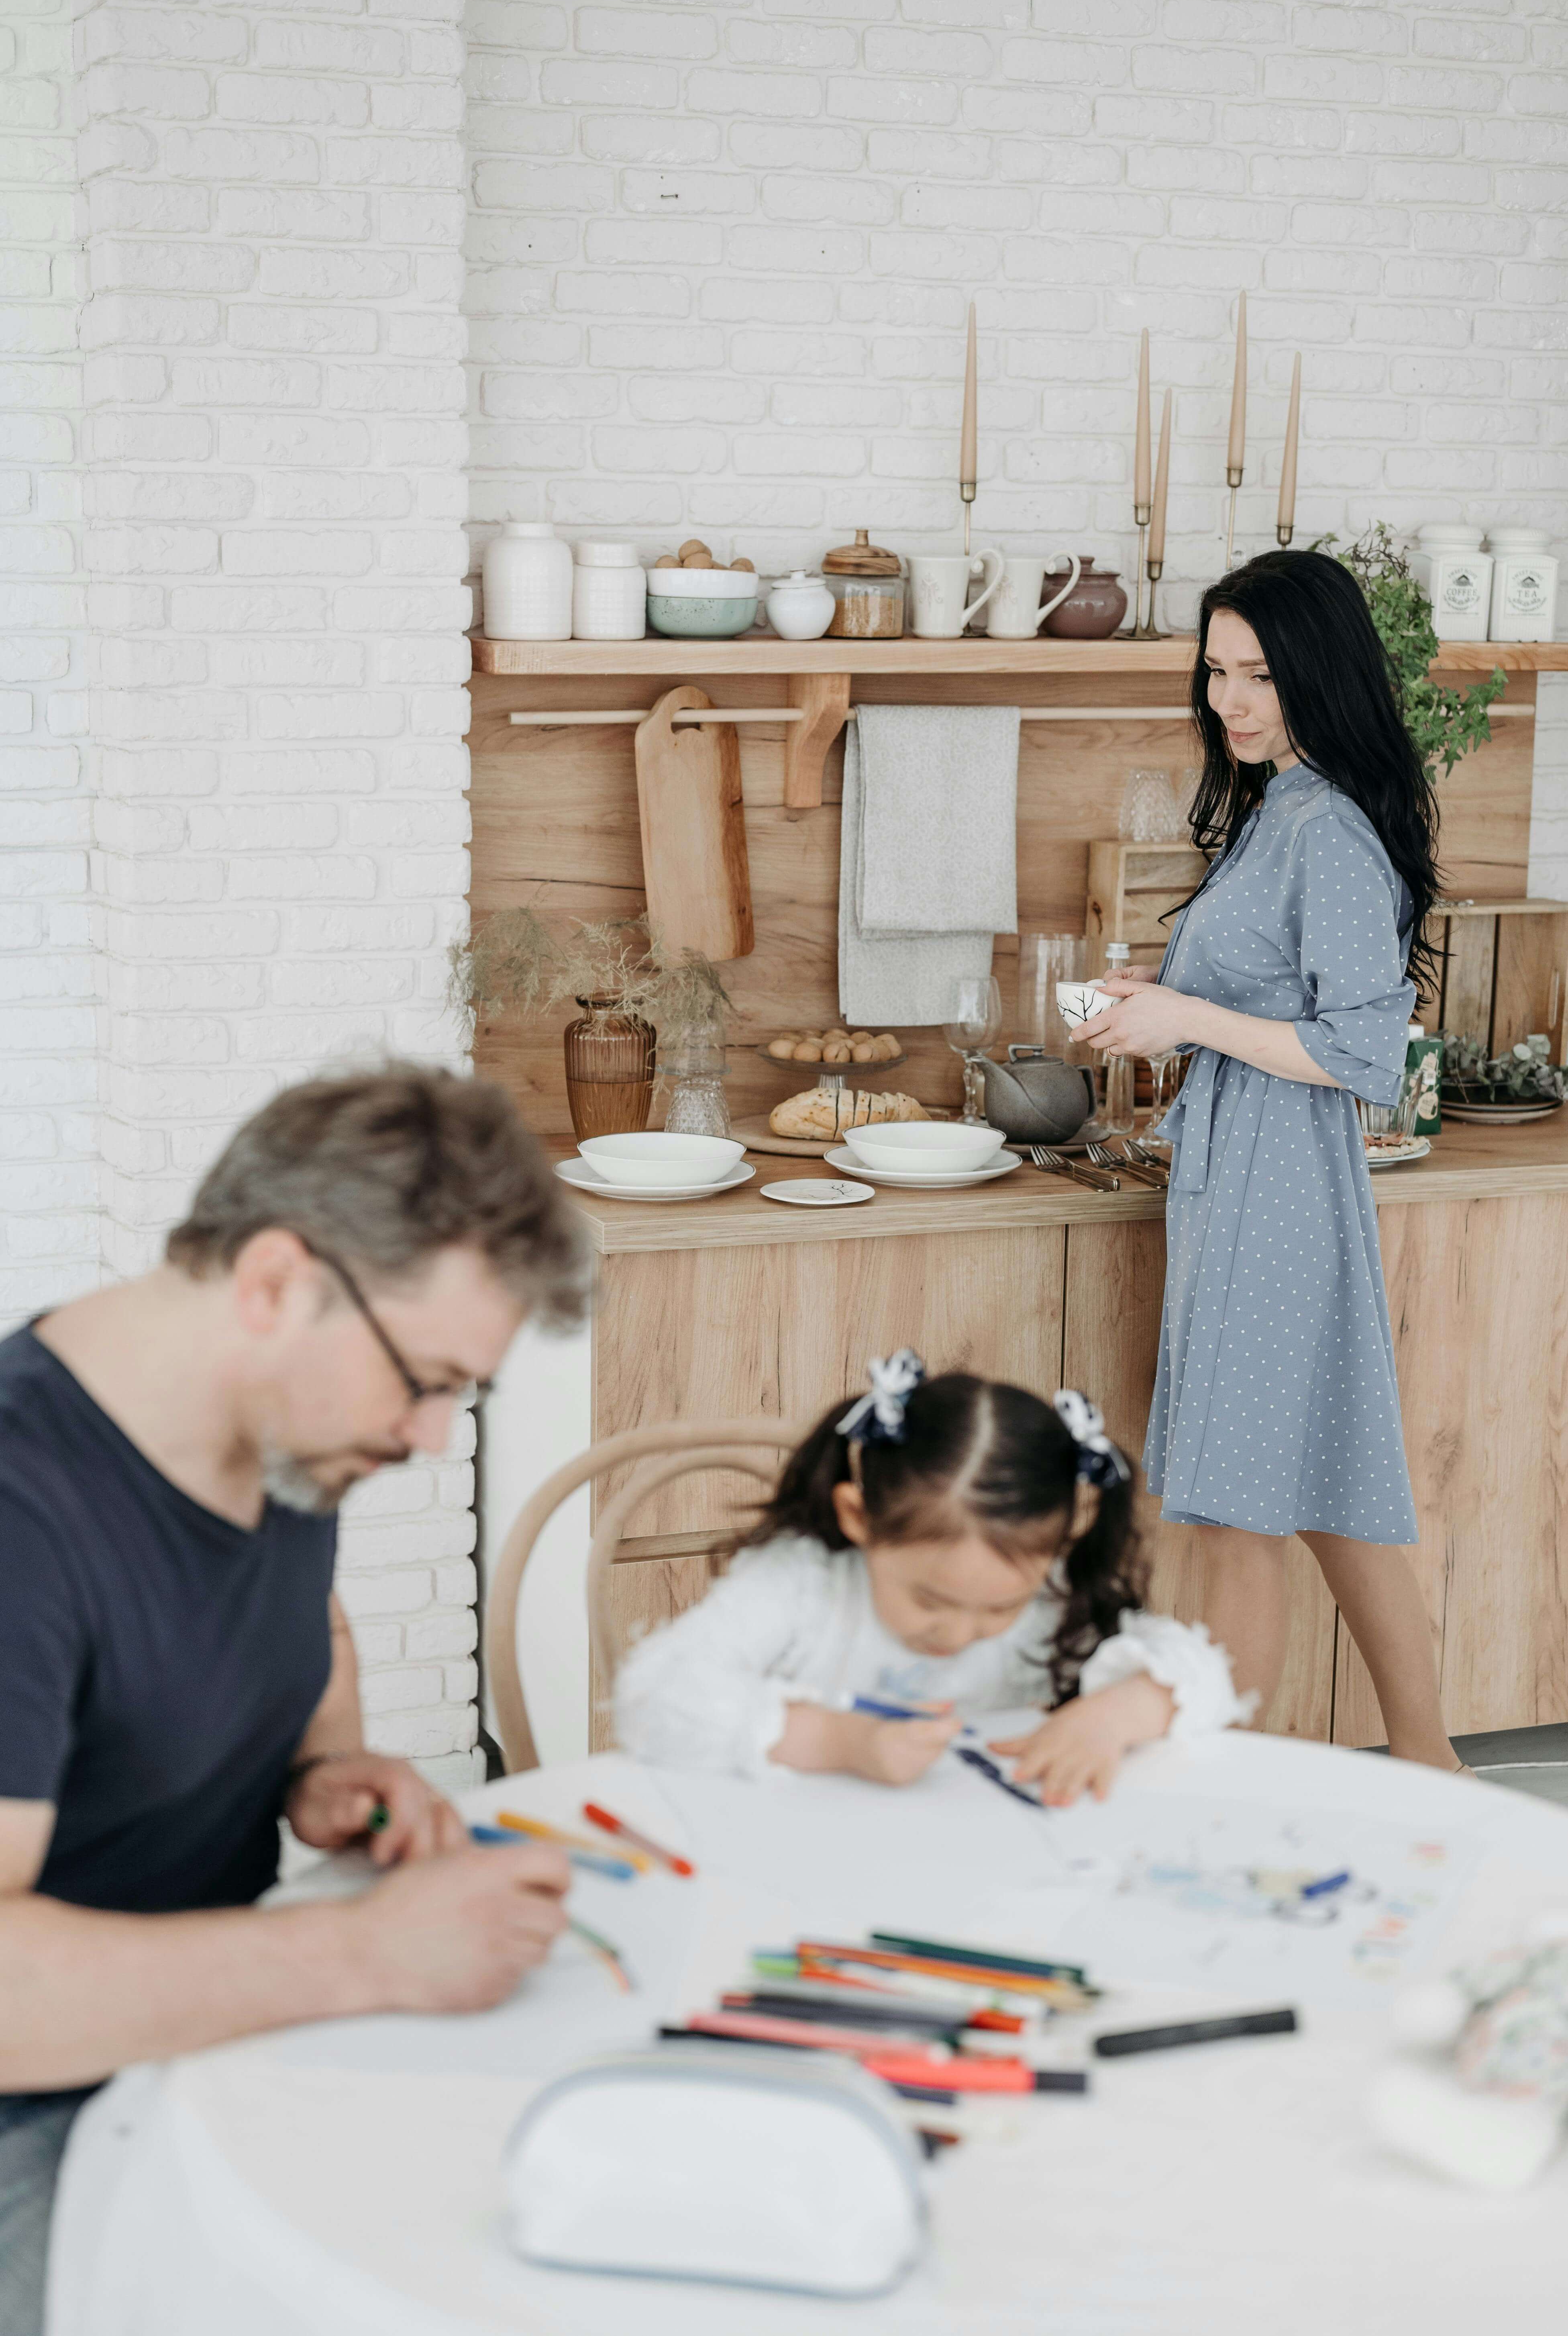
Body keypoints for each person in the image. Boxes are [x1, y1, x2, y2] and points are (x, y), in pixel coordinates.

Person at [0, 1066, 589, 2332]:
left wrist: (324, 1765)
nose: (435, 1438)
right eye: (426, 1381)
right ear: (274, 1282)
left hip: (206, 2042)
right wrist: (370, 1951)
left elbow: (306, 1613)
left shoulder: (272, 1441)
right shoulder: (21, 1514)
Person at [1070, 549, 1458, 1769]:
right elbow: (1278, 993)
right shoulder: (1278, 805)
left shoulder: (1326, 827)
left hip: (1277, 1188)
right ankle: (1429, 1763)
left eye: (1259, 675)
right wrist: (1165, 989)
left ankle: (1213, 1780)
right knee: (1321, 1493)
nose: (1231, 700)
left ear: (1317, 675)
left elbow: (1360, 1048)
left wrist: (1183, 1021)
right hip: (1249, 1174)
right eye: (1216, 672)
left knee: (1237, 1511)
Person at [615, 1353, 1248, 1795]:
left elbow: (1204, 1674)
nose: (961, 1631)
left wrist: (1115, 1714)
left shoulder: (1052, 1602)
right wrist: (841, 1743)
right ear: (859, 1516)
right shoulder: (805, 1584)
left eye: (1000, 1609)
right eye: (929, 1598)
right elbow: (655, 1697)